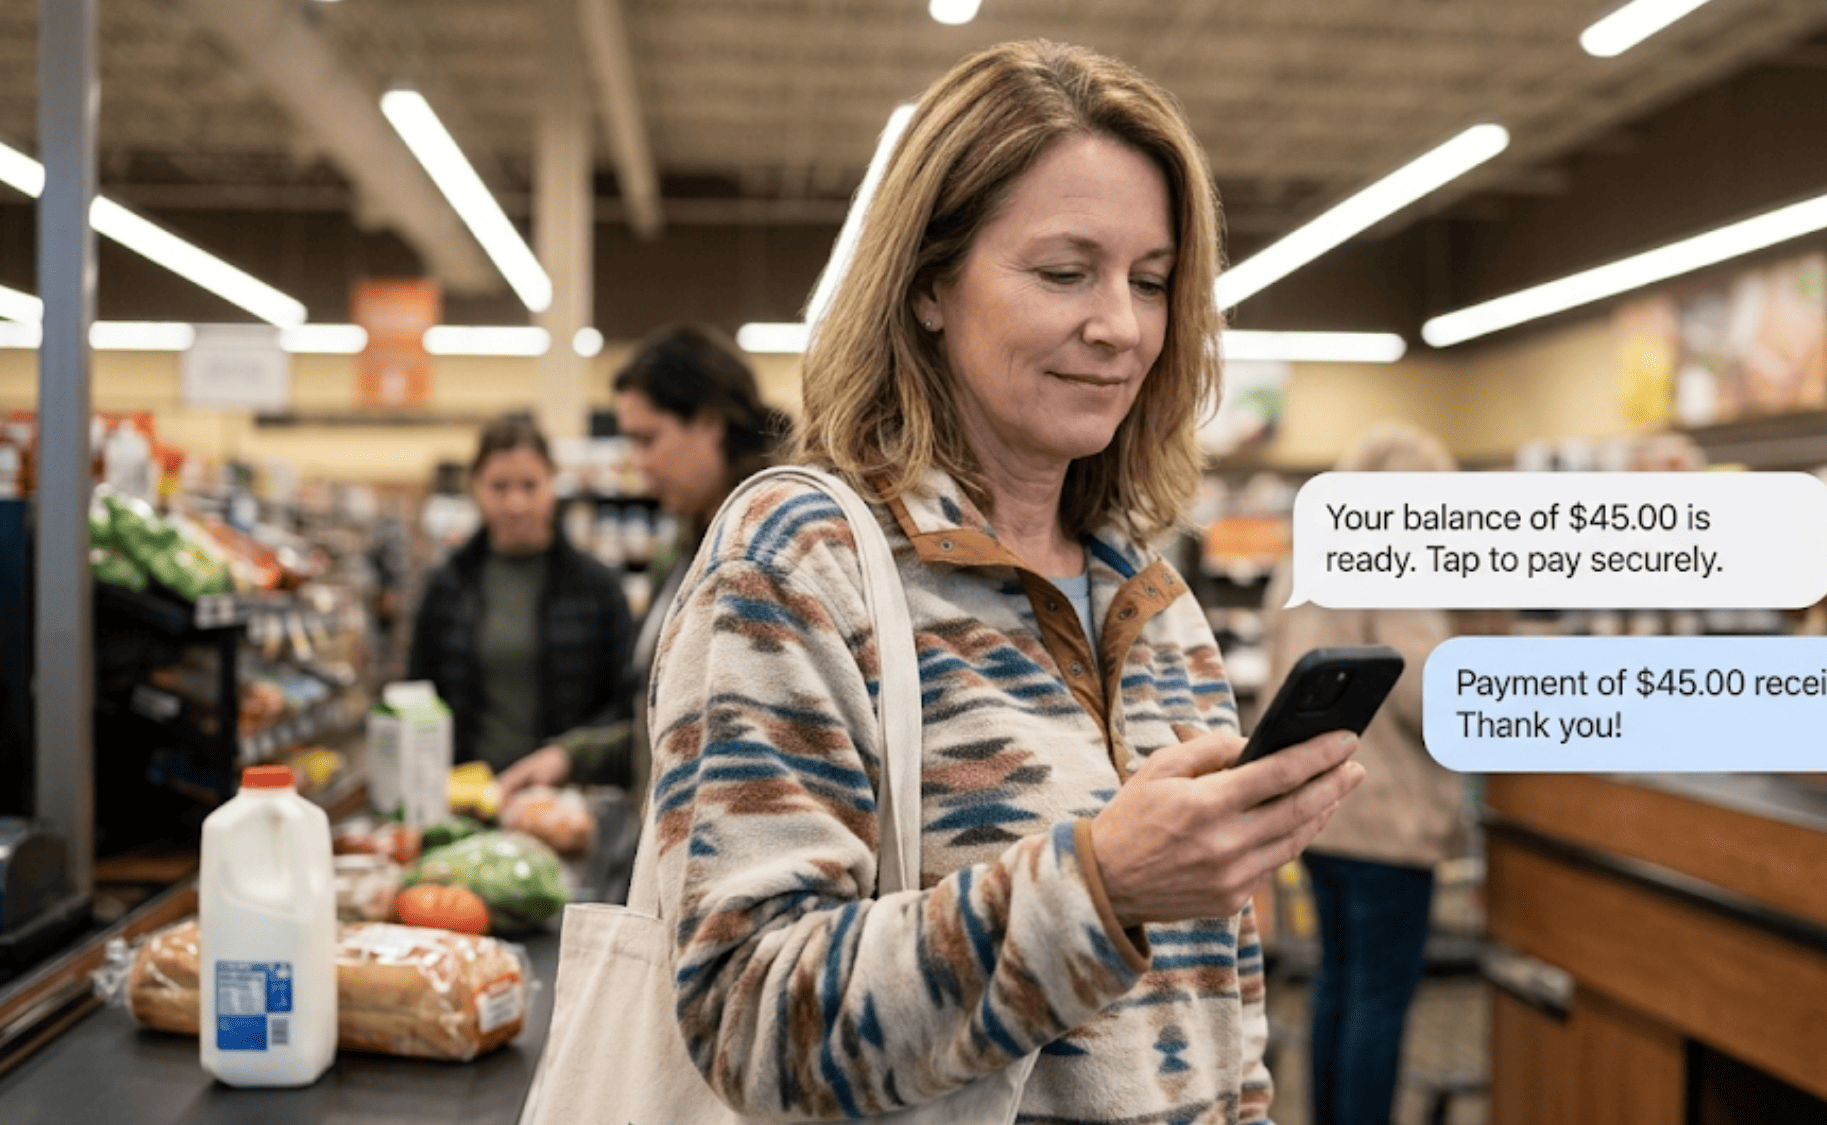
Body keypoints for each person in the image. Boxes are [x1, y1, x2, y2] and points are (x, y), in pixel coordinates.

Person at [643, 39, 1365, 1123]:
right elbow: (748, 1016)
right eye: (1063, 272)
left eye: (1150, 281)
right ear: (929, 285)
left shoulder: (1151, 602)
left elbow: (1218, 1015)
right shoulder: (798, 561)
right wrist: (1099, 887)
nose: (1118, 325)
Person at [1259, 422, 1468, 1125]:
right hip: (1389, 817)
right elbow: (1425, 690)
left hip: (1320, 809)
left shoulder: (1305, 558)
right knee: (1380, 998)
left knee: (1338, 983)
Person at [496, 325, 790, 797]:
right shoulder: (683, 546)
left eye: (647, 439)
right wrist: (572, 757)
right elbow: (665, 731)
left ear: (710, 423)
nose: (639, 463)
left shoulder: (775, 546)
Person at [407, 417, 633, 774]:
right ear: (475, 488)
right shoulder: (446, 586)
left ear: (552, 484)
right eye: (499, 486)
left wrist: (572, 758)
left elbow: (623, 701)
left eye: (530, 485)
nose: (515, 503)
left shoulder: (598, 588)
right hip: (468, 791)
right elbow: (418, 692)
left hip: (564, 797)